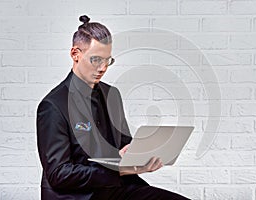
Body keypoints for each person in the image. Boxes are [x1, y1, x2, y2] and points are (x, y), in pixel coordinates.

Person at [36, 15, 190, 200]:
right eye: (96, 60)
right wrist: (120, 169)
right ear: (75, 54)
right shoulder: (53, 105)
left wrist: (137, 154)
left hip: (117, 188)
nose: (102, 68)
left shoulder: (112, 95)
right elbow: (58, 174)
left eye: (107, 61)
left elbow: (124, 143)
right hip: (79, 196)